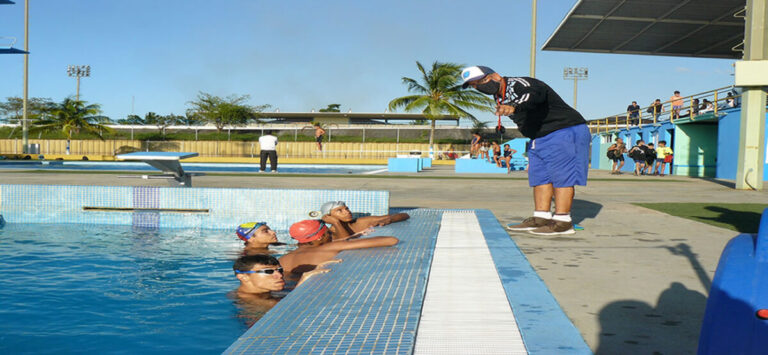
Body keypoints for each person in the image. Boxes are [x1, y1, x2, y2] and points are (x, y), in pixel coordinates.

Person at [461, 65, 589, 235]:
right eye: (475, 85)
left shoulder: (518, 83)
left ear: (496, 76)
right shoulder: (499, 97)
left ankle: (562, 221)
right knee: (539, 176)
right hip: (539, 137)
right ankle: (541, 217)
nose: (480, 86)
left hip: (563, 129)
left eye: (482, 80)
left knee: (562, 176)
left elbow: (534, 94)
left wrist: (514, 108)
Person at [231, 254, 331, 326]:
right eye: (268, 271)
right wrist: (301, 285)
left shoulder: (261, 292)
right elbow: (288, 309)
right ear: (243, 277)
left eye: (279, 270)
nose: (279, 275)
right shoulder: (248, 301)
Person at [278, 219, 399, 276]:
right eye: (328, 233)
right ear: (320, 237)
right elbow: (391, 240)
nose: (331, 234)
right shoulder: (331, 247)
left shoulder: (283, 259)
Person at [319, 201, 409, 241]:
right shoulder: (327, 234)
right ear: (328, 216)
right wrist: (336, 223)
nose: (347, 212)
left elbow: (404, 215)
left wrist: (389, 219)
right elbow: (346, 242)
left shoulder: (360, 222)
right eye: (340, 210)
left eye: (347, 208)